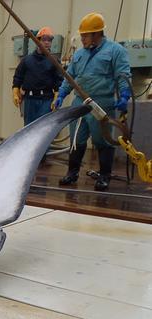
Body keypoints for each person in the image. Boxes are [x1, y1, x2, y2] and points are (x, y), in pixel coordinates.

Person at [53, 12, 131, 191]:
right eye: (81, 35)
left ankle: (104, 176)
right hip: (80, 103)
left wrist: (124, 96)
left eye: (85, 35)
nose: (82, 39)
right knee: (76, 140)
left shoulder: (115, 51)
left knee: (103, 140)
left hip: (102, 103)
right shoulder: (79, 54)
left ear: (97, 34)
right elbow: (69, 76)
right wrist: (62, 95)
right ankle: (72, 173)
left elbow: (123, 75)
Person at [12, 27, 63, 126]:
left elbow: (59, 80)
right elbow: (18, 77)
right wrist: (15, 91)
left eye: (49, 40)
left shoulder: (54, 61)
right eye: (44, 39)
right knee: (29, 129)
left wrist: (57, 95)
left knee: (43, 128)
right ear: (37, 41)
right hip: (29, 101)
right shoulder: (26, 61)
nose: (47, 42)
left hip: (46, 101)